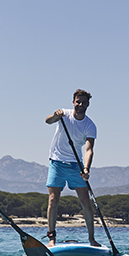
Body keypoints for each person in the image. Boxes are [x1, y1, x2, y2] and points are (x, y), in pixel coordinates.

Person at [45, 89, 100, 247]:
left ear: (88, 104)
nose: (80, 104)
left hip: (77, 165)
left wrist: (87, 169)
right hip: (57, 162)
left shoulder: (90, 126)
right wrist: (55, 116)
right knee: (53, 200)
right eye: (78, 101)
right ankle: (51, 238)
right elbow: (47, 121)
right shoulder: (64, 115)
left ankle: (91, 239)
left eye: (83, 102)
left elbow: (89, 149)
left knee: (85, 201)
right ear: (73, 102)